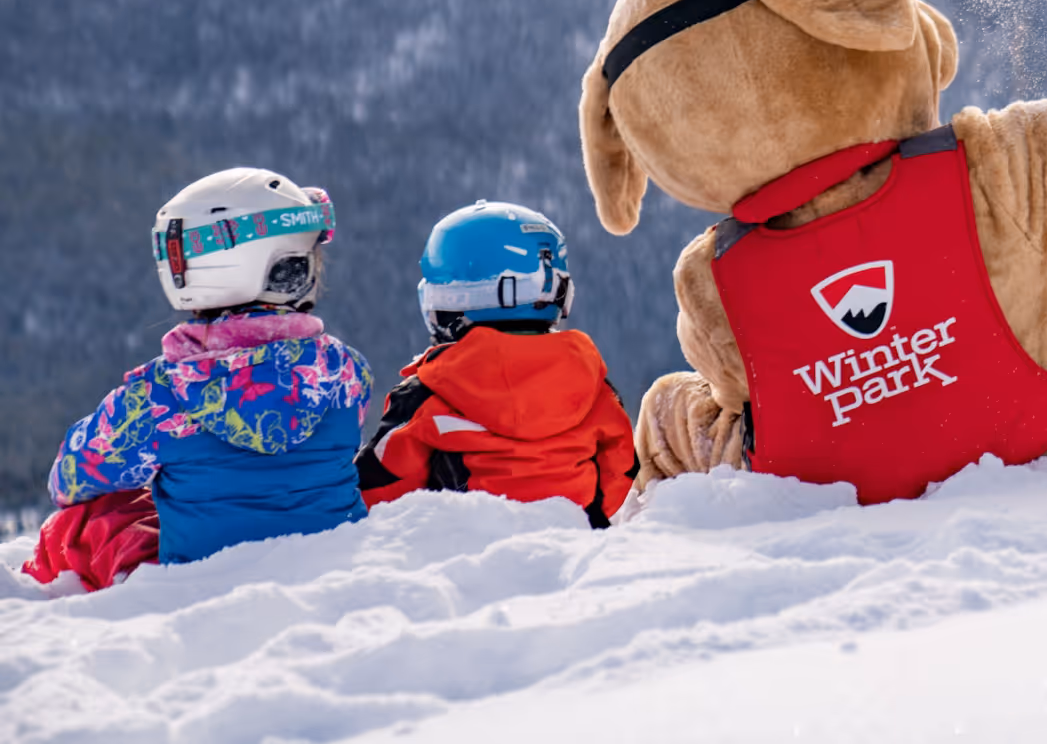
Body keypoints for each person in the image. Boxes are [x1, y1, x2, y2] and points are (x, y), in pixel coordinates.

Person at [25, 168, 371, 589]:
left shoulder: (155, 397)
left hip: (197, 587)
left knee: (81, 522)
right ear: (288, 272)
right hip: (326, 571)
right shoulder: (346, 371)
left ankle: (32, 597)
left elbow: (69, 480)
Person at [357, 201, 637, 526]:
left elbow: (378, 490)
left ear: (453, 300)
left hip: (465, 554)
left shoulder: (427, 394)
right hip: (576, 546)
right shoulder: (592, 385)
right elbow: (621, 468)